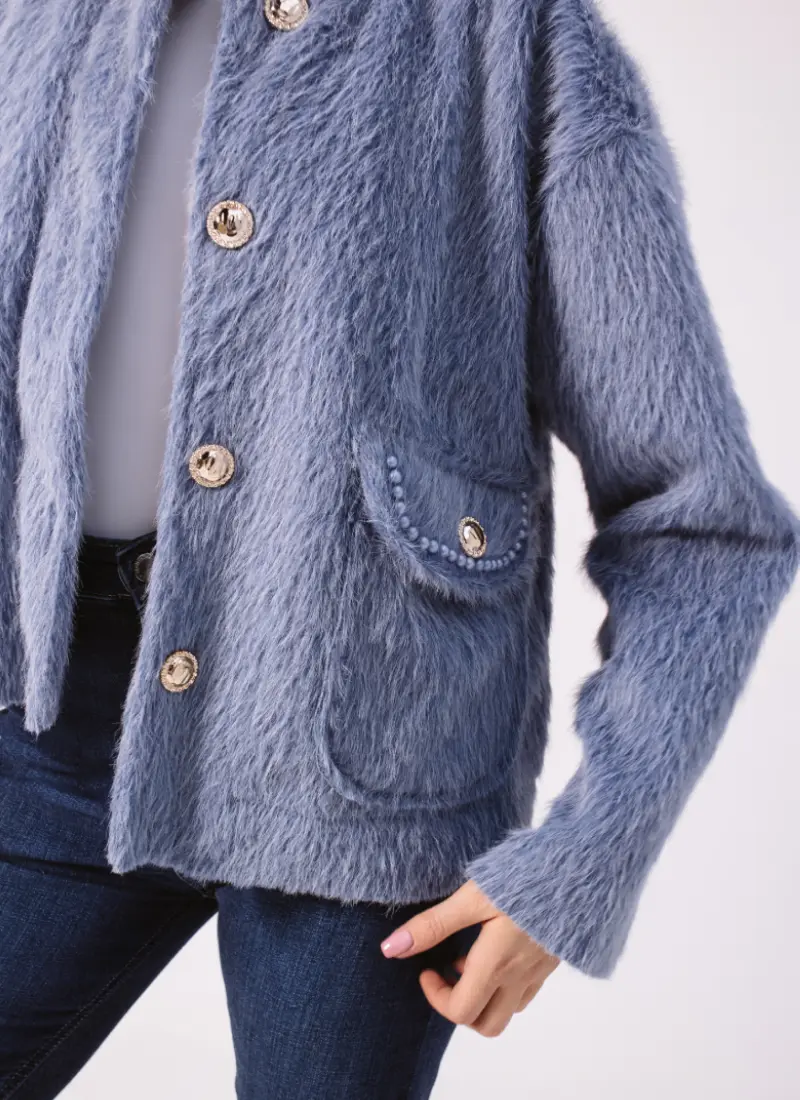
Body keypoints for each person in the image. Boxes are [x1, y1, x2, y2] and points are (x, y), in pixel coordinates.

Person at [0, 0, 796, 1097]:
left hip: (374, 756)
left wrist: (582, 859)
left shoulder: (510, 37)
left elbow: (704, 521)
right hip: (50, 716)